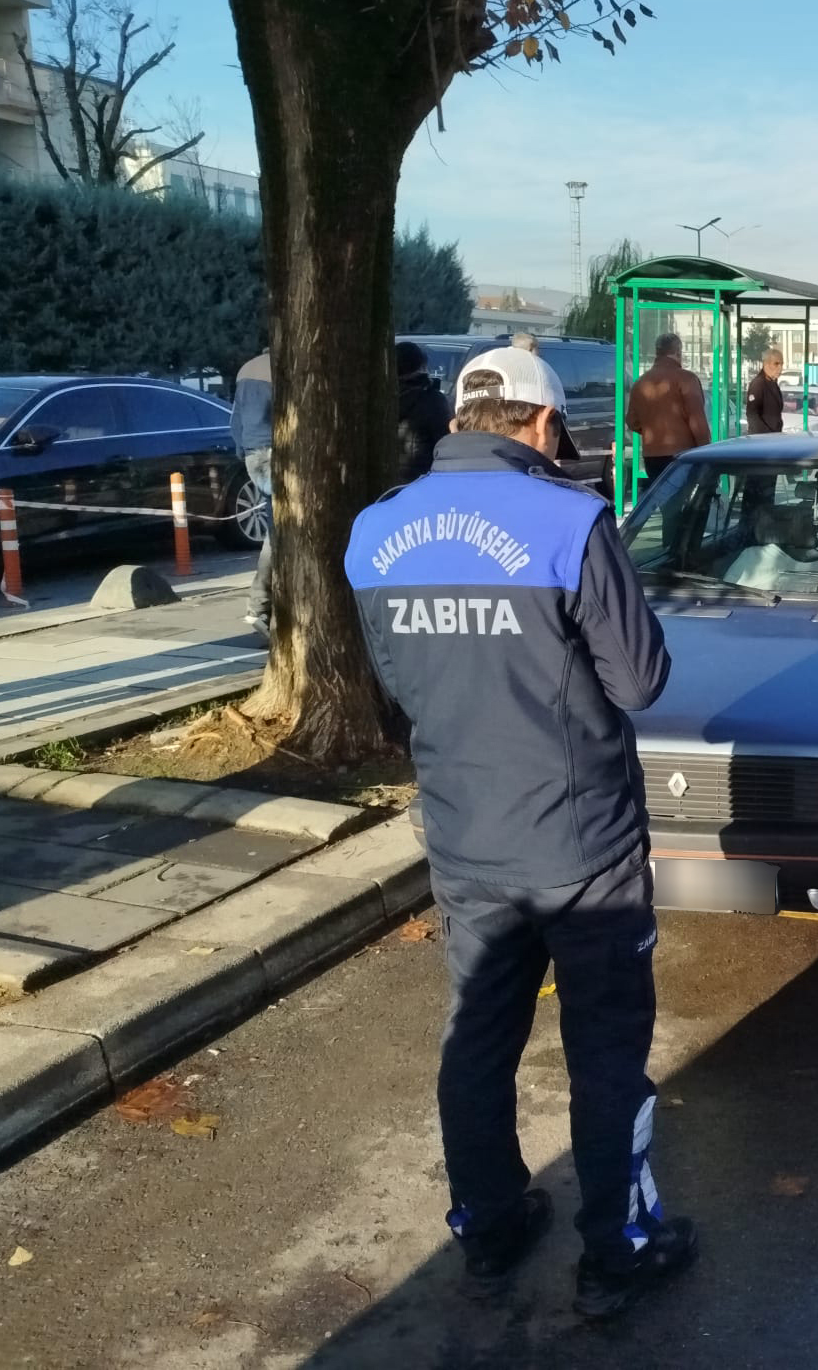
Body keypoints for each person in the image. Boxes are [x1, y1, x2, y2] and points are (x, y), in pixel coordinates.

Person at [344, 346, 694, 1321]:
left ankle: (488, 1220)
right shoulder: (571, 520)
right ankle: (616, 1246)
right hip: (582, 842)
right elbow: (640, 682)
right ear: (543, 424)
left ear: (460, 418)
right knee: (605, 1045)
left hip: (463, 834)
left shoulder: (374, 531)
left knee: (479, 1033)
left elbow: (398, 687)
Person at [624, 332, 711, 487]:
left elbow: (632, 421)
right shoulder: (686, 379)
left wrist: (654, 431)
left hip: (652, 456)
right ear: (678, 352)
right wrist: (706, 453)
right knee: (682, 504)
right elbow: (698, 423)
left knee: (667, 505)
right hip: (683, 455)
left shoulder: (640, 383)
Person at [231, 351, 273, 637]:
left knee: (278, 524)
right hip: (275, 450)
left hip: (252, 452)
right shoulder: (289, 368)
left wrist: (242, 451)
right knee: (280, 530)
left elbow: (236, 421)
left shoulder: (247, 368)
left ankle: (261, 607)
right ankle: (259, 605)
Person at [396, 341, 453, 484]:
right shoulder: (431, 399)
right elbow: (445, 444)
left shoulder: (376, 398)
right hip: (420, 480)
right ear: (422, 365)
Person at [745, 348, 785, 434]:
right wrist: (767, 436)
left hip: (774, 438)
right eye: (776, 364)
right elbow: (752, 414)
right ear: (766, 364)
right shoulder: (758, 384)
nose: (780, 368)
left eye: (782, 364)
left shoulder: (773, 383)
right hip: (762, 440)